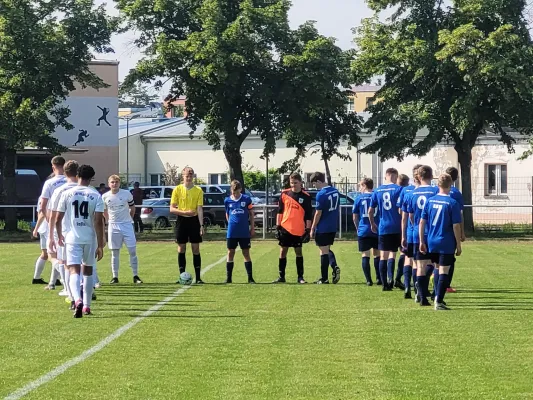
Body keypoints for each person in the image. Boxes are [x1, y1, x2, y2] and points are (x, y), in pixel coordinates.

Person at [56, 165, 105, 317]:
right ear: (91, 178)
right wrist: (100, 242)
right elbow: (98, 221)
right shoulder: (96, 195)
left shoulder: (67, 193)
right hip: (89, 238)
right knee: (88, 271)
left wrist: (59, 235)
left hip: (72, 237)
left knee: (73, 270)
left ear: (77, 175)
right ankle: (87, 306)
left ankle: (77, 299)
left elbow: (58, 218)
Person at [419, 173, 462, 310]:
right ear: (450, 185)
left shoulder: (430, 201)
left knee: (437, 268)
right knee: (444, 271)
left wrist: (421, 241)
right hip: (446, 241)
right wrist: (459, 245)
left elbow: (422, 222)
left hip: (432, 241)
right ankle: (438, 300)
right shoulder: (452, 203)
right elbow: (456, 226)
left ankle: (435, 296)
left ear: (438, 185)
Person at [48, 160, 80, 302]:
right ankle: (87, 290)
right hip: (83, 231)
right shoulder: (87, 190)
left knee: (65, 263)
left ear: (65, 172)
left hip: (65, 231)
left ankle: (70, 293)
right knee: (85, 264)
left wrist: (51, 236)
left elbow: (53, 215)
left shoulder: (59, 190)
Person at [273, 173, 312, 284]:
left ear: (300, 182)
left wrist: (308, 230)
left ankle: (300, 277)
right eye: (292, 183)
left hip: (298, 229)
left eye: (295, 183)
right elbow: (280, 211)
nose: (293, 185)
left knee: (298, 252)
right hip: (285, 228)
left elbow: (308, 215)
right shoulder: (284, 194)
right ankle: (281, 277)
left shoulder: (306, 196)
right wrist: (278, 226)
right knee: (282, 251)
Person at [407, 165, 438, 305]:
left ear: (418, 177)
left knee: (419, 265)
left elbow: (411, 216)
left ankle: (420, 295)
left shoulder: (411, 194)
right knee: (435, 264)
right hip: (433, 233)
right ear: (431, 176)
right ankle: (432, 293)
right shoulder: (436, 191)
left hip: (416, 234)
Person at [103, 175, 143, 285]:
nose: (114, 184)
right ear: (109, 183)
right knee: (114, 252)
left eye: (116, 182)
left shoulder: (126, 194)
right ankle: (115, 277)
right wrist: (108, 221)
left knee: (132, 250)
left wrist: (129, 218)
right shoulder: (105, 196)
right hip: (113, 226)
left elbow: (132, 207)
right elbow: (104, 211)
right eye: (112, 182)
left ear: (119, 183)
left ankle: (135, 276)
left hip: (126, 225)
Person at [368, 168, 403, 291]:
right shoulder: (399, 189)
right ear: (395, 176)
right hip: (397, 226)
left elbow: (370, 210)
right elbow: (401, 209)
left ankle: (384, 284)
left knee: (383, 255)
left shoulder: (377, 190)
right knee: (393, 254)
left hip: (383, 227)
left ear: (386, 176)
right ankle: (391, 279)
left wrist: (372, 223)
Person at [170, 167, 205, 284]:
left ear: (193, 177)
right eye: (186, 176)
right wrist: (185, 212)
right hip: (182, 221)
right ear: (183, 177)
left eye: (190, 176)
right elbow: (172, 209)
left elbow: (199, 209)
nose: (188, 178)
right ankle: (181, 276)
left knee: (195, 248)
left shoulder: (198, 190)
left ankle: (198, 278)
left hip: (194, 221)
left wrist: (201, 225)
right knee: (181, 248)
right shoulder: (177, 190)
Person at [39, 156, 67, 289]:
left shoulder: (50, 183)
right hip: (70, 222)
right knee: (61, 253)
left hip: (56, 221)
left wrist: (48, 219)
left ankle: (68, 277)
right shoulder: (70, 181)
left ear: (53, 166)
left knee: (52, 255)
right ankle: (52, 283)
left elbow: (43, 204)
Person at [309, 172, 341, 284]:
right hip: (332, 226)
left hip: (323, 226)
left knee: (323, 251)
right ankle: (334, 267)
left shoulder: (321, 194)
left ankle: (324, 278)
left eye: (314, 184)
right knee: (326, 249)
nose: (314, 187)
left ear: (318, 181)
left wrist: (312, 228)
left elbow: (318, 213)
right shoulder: (335, 191)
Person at [224, 180, 255, 284]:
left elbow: (251, 214)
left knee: (246, 252)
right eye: (233, 192)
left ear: (240, 190)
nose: (235, 194)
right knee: (230, 252)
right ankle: (228, 278)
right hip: (232, 232)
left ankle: (250, 278)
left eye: (236, 192)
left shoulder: (246, 199)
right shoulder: (227, 200)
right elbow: (227, 214)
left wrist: (252, 227)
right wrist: (230, 224)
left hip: (244, 232)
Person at [399, 165, 422, 299]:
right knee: (420, 263)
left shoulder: (407, 192)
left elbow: (403, 215)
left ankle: (407, 286)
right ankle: (417, 288)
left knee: (408, 259)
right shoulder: (430, 191)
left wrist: (403, 234)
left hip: (409, 231)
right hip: (422, 233)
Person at [353, 178, 380, 286]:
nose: (359, 188)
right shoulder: (376, 196)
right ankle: (379, 278)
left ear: (364, 185)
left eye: (360, 185)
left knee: (365, 254)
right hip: (376, 229)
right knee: (377, 254)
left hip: (364, 229)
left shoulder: (359, 198)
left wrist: (357, 228)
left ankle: (368, 280)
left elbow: (355, 217)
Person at [445, 167, 465, 293]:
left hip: (435, 229)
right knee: (450, 258)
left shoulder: (437, 191)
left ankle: (434, 276)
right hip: (450, 231)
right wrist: (462, 232)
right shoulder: (456, 193)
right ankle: (446, 285)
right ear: (456, 178)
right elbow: (460, 215)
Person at [394, 173, 411, 290]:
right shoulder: (407, 191)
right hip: (414, 229)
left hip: (403, 228)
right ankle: (408, 282)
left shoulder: (404, 192)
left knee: (403, 254)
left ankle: (398, 278)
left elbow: (400, 210)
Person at [32, 196, 49, 284]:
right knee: (57, 255)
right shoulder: (52, 197)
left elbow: (39, 213)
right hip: (49, 229)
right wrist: (36, 229)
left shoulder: (42, 197)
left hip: (43, 228)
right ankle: (55, 280)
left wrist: (37, 228)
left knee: (45, 254)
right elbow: (42, 214)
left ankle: (36, 278)